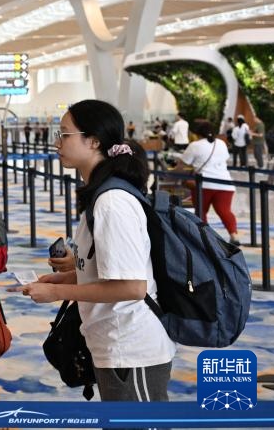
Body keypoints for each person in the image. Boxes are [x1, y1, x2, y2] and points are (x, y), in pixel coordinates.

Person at [14, 99, 175, 405]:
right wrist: (65, 278)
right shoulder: (101, 195)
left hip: (132, 347)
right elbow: (108, 271)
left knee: (138, 426)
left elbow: (132, 287)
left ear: (94, 141)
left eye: (64, 134)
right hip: (112, 342)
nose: (57, 143)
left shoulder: (112, 203)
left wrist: (57, 293)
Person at [179, 119, 239, 245]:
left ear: (197, 133)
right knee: (224, 211)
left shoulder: (195, 145)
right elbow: (223, 159)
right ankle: (234, 236)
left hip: (203, 184)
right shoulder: (221, 143)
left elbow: (182, 164)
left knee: (201, 211)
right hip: (225, 183)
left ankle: (205, 237)